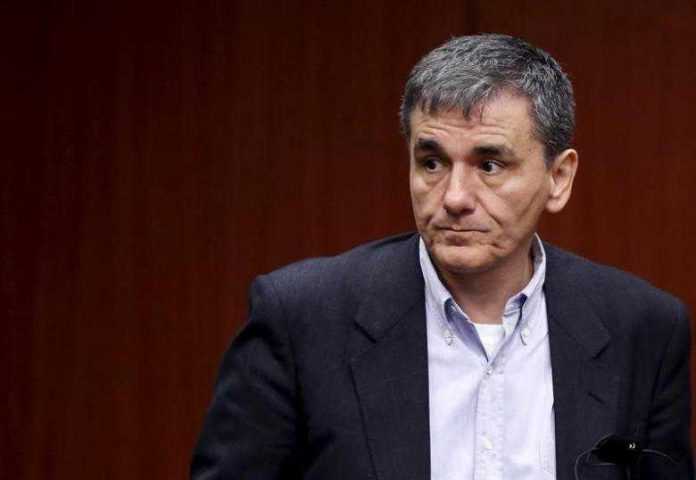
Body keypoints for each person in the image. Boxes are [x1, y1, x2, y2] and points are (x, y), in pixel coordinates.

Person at [191, 34, 693, 480]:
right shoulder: (302, 318)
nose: (454, 197)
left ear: (558, 178)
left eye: (489, 165)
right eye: (431, 162)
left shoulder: (643, 328)